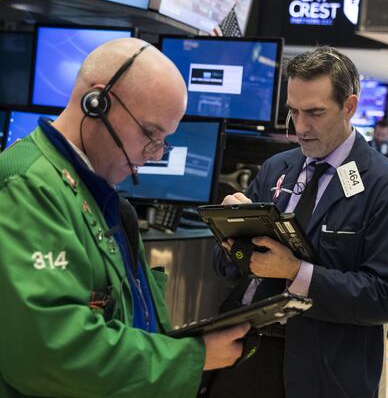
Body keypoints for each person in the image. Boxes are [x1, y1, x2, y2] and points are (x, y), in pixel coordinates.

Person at [0, 38, 247, 398]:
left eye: (164, 141)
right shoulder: (27, 187)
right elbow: (49, 351)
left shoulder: (99, 193)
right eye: (149, 133)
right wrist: (193, 357)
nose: (156, 154)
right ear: (97, 102)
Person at [209, 46, 388, 397]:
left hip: (322, 371)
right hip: (242, 353)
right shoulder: (278, 168)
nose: (301, 127)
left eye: (315, 113)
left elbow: (387, 297)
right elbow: (225, 268)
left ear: (349, 106)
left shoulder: (386, 184)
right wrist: (230, 231)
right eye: (294, 111)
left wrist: (296, 273)